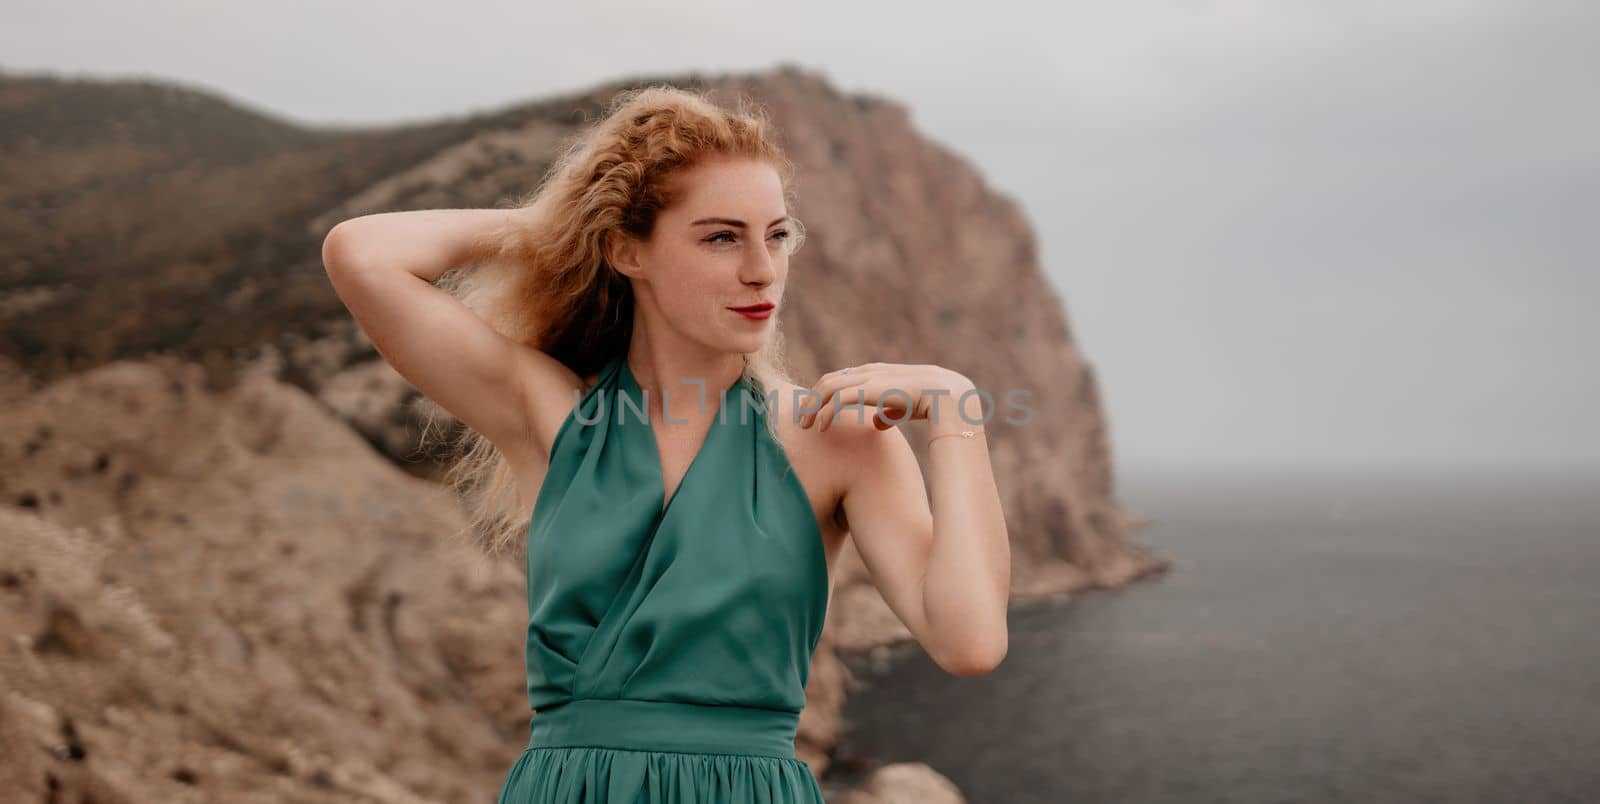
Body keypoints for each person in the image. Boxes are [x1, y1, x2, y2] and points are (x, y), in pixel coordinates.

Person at [320, 84, 1010, 803]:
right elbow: (362, 255)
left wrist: (957, 415)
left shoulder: (836, 438)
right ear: (628, 251)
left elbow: (969, 643)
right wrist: (564, 220)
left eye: (777, 234)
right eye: (721, 236)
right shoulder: (552, 412)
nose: (761, 269)